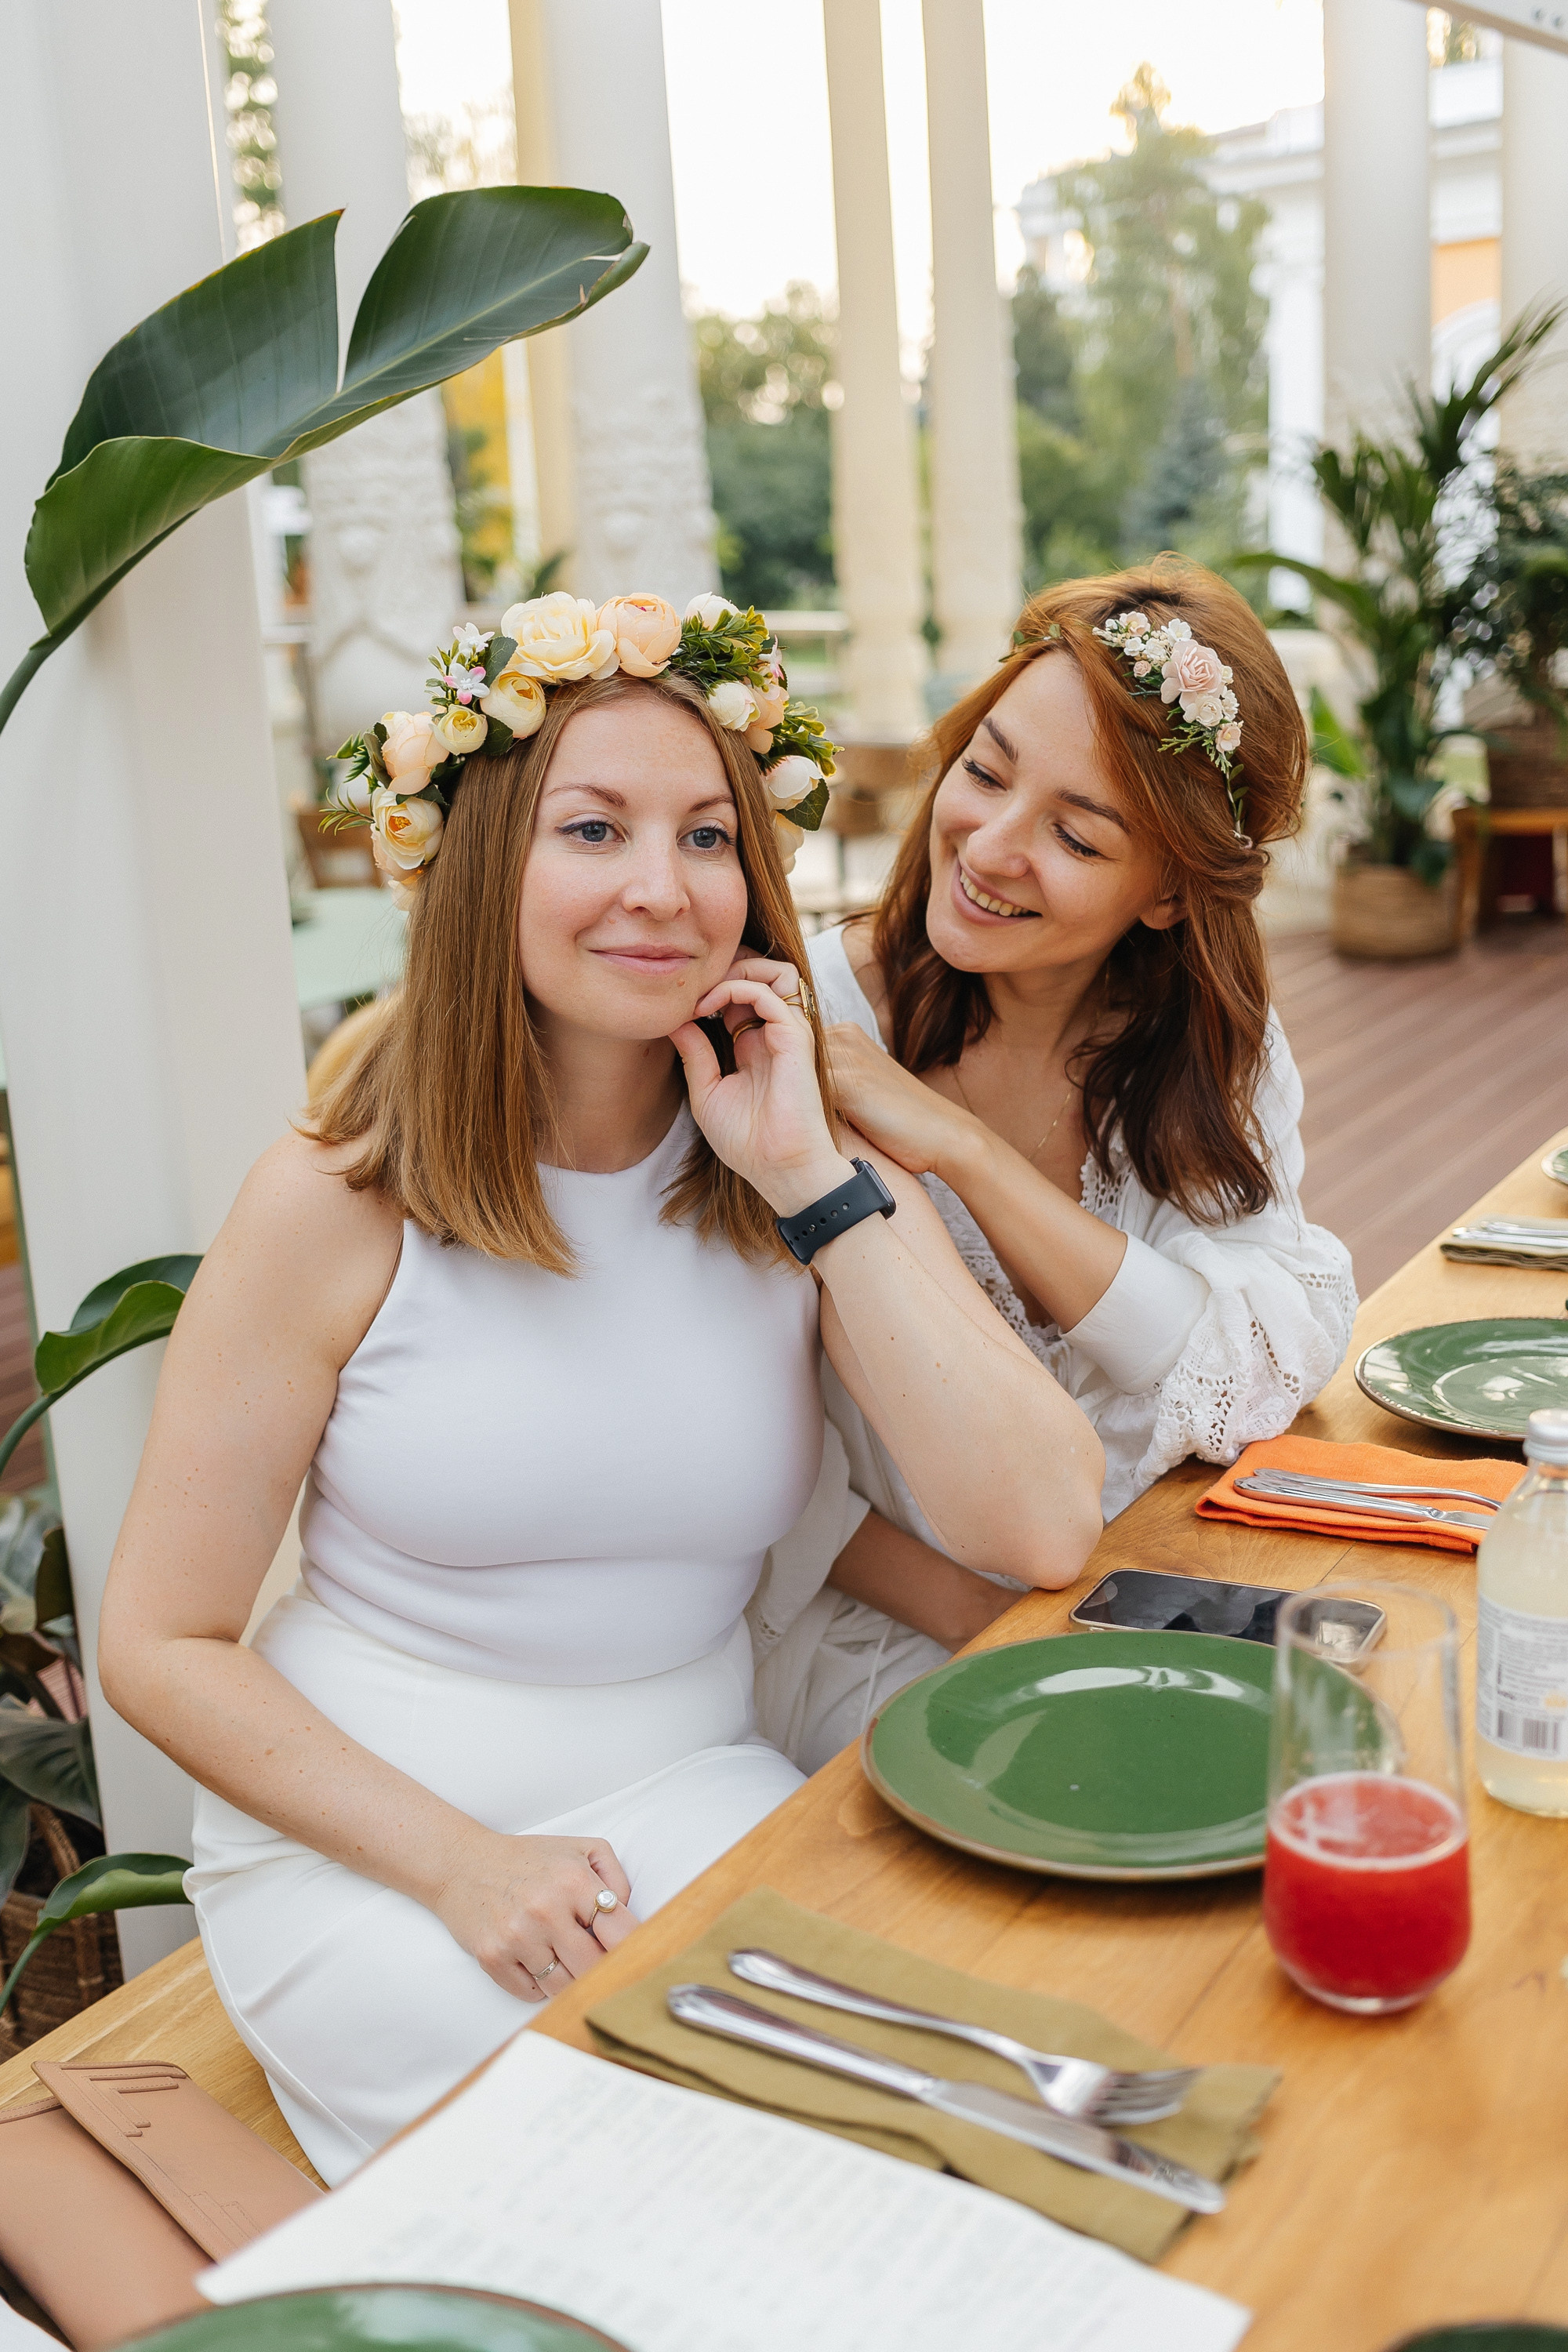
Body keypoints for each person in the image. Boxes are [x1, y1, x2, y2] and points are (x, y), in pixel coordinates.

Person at [98, 590, 1104, 2187]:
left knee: (942, 2128)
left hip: (696, 1792)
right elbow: (157, 1639)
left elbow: (1043, 1521)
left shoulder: (792, 1173)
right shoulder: (339, 1198)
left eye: (710, 838)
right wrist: (459, 1865)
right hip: (373, 1852)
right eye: (594, 829)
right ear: (488, 862)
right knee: (633, 2161)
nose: (661, 888)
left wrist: (808, 1180)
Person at [751, 561, 1356, 1770]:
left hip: (1143, 1588)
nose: (991, 845)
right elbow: (750, 1474)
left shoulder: (1195, 1050)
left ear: (1172, 896)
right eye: (984, 771)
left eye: (1077, 835)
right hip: (872, 1633)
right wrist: (1007, 1633)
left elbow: (1247, 1367)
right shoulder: (791, 1036)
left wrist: (966, 1155)